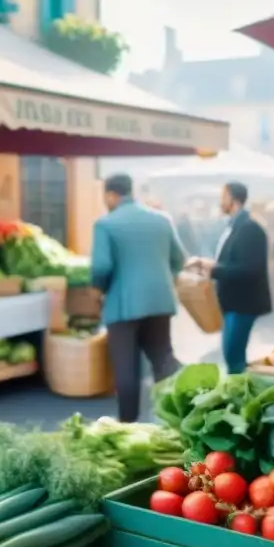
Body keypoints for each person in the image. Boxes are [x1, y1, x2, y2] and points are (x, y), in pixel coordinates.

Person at [91, 174, 183, 422]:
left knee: (126, 368)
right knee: (163, 360)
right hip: (160, 302)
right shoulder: (162, 220)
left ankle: (129, 427)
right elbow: (179, 259)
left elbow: (101, 267)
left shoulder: (106, 224)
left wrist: (97, 290)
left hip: (123, 305)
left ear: (111, 194)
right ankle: (172, 419)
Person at [191, 182, 272, 374]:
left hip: (243, 304)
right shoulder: (237, 226)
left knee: (234, 359)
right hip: (234, 303)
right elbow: (234, 261)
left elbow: (250, 269)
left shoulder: (249, 228)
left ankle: (242, 399)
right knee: (232, 357)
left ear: (233, 199)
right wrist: (208, 264)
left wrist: (215, 270)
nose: (220, 201)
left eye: (223, 196)